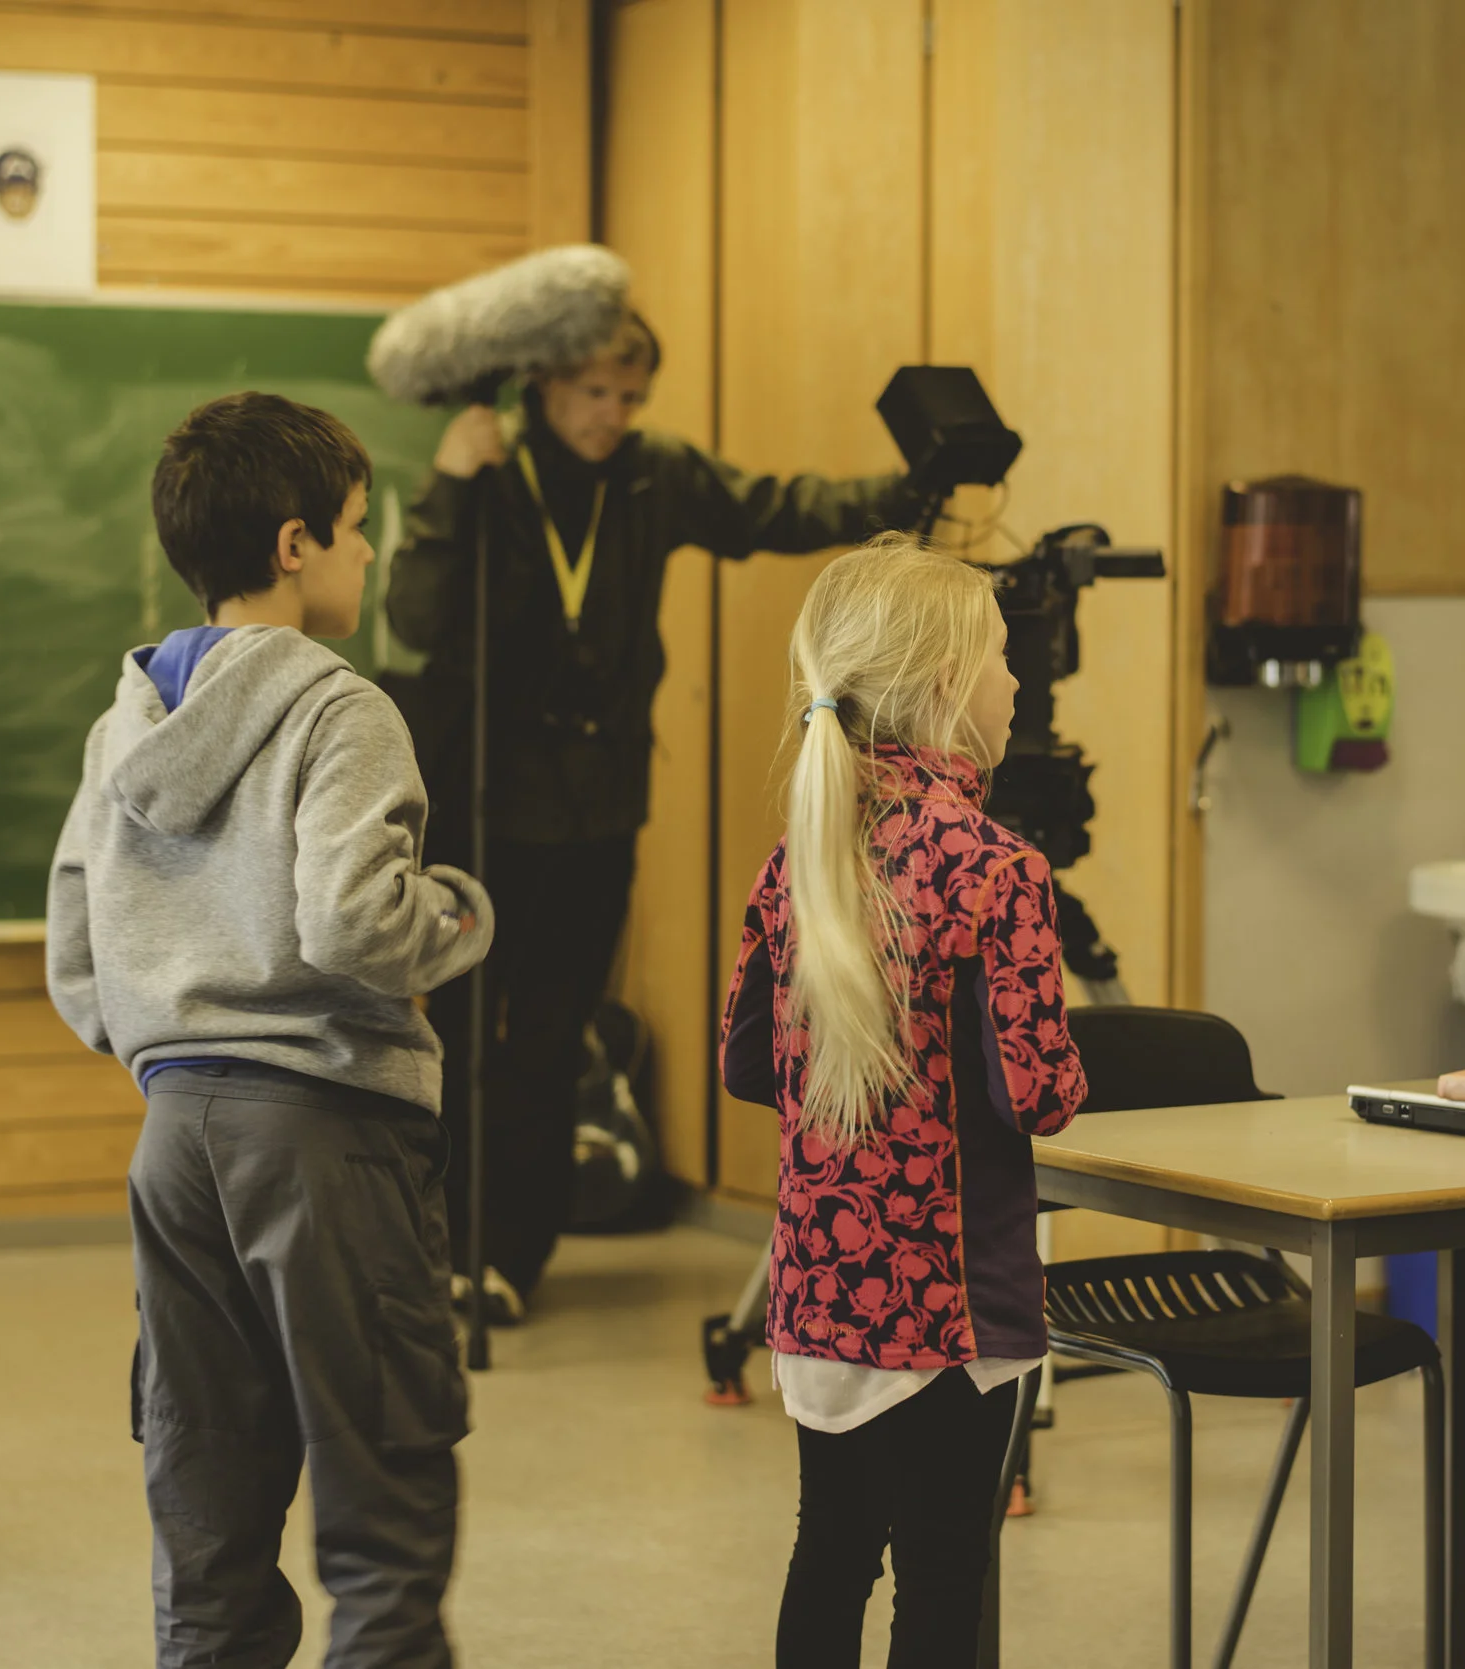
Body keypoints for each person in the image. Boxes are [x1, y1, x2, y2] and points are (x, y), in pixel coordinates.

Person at [48, 393, 494, 1669]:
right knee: (383, 1519)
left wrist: (164, 1019)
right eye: (360, 530)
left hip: (175, 1141)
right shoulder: (338, 709)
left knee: (209, 1516)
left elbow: (77, 958)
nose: (370, 552)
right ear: (296, 544)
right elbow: (355, 925)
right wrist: (457, 920)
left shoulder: (121, 725)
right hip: (324, 1135)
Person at [386, 310, 927, 1322]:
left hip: (597, 808)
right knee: (456, 1038)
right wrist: (453, 483)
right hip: (482, 804)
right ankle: (434, 1246)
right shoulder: (490, 472)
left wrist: (909, 494)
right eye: (596, 393)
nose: (613, 415)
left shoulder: (653, 473)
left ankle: (507, 1257)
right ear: (544, 385)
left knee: (550, 1039)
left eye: (630, 397)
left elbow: (773, 509)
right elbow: (415, 618)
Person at [718, 534, 1085, 1665]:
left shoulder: (801, 856)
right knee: (943, 1569)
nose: (1018, 681)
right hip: (949, 1314)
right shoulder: (996, 869)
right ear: (943, 690)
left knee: (828, 1550)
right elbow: (1036, 1093)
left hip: (819, 1298)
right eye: (1002, 657)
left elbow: (742, 1064)